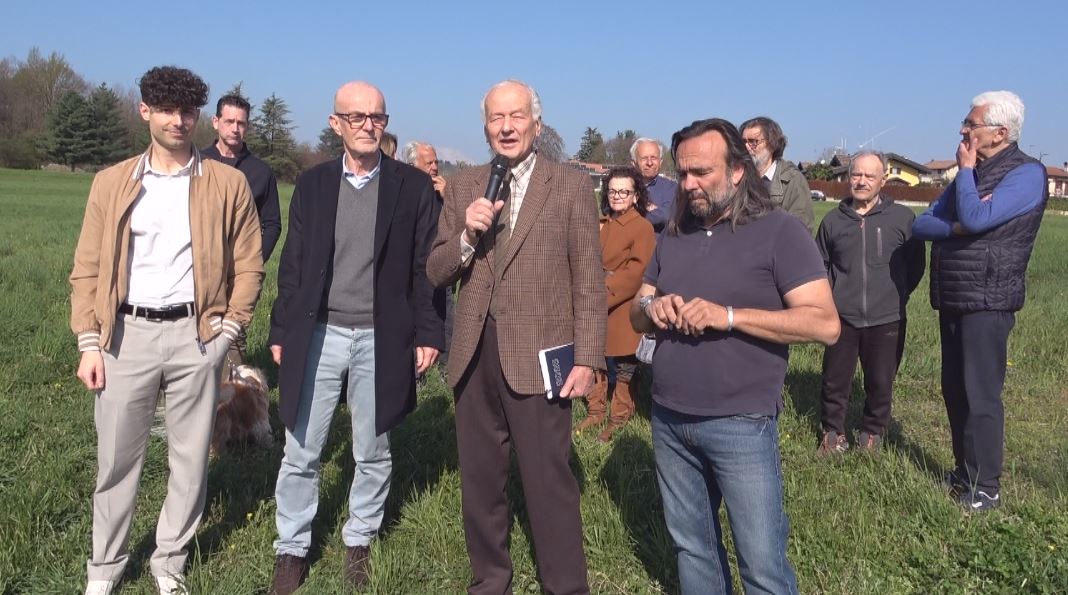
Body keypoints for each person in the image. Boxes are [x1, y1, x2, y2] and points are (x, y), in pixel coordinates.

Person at [71, 65, 264, 595]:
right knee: (116, 460)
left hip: (195, 337)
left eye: (187, 111)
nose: (178, 120)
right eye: (166, 109)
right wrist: (90, 342)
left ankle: (169, 563)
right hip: (123, 337)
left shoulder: (228, 183)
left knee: (190, 460)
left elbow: (249, 263)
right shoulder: (111, 183)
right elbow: (87, 267)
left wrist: (226, 336)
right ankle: (104, 569)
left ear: (197, 115)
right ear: (145, 111)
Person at [631, 118, 839, 594]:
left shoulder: (779, 232)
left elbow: (825, 323)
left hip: (741, 422)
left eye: (702, 173)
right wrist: (652, 305)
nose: (689, 185)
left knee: (761, 562)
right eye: (682, 174)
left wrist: (729, 316)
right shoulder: (673, 233)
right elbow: (635, 316)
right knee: (692, 549)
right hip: (668, 418)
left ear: (738, 171)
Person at [426, 79, 605, 595]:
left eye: (516, 116)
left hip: (543, 353)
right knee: (481, 485)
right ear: (485, 127)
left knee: (549, 484)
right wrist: (466, 235)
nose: (506, 127)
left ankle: (565, 586)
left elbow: (589, 279)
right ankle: (490, 581)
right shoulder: (464, 186)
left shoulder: (569, 186)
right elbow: (436, 270)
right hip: (473, 354)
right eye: (495, 119)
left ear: (536, 124)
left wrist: (588, 357)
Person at [266, 81, 443, 593]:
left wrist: (428, 332)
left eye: (378, 117)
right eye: (357, 116)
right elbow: (293, 266)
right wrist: (281, 329)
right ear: (336, 123)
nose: (369, 125)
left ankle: (359, 538)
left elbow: (425, 267)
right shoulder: (313, 184)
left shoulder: (411, 187)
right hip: (319, 331)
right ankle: (292, 547)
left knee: (373, 447)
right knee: (301, 447)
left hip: (382, 336)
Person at [911, 90, 1047, 512]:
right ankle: (963, 472)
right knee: (954, 390)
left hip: (988, 298)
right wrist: (958, 227)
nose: (963, 130)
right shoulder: (969, 177)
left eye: (971, 124)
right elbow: (924, 224)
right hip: (953, 295)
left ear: (1001, 132)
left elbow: (975, 217)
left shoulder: (1027, 174)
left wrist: (966, 177)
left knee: (980, 394)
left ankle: (986, 485)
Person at [815, 151, 925, 454]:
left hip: (887, 317)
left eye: (869, 176)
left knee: (880, 381)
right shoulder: (833, 221)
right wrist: (830, 302)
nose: (861, 181)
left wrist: (896, 295)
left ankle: (873, 432)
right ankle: (833, 433)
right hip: (842, 317)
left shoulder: (903, 218)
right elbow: (821, 266)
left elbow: (915, 266)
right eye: (856, 175)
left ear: (883, 180)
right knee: (835, 381)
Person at [575, 166, 655, 442]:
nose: (617, 196)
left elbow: (637, 271)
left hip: (621, 307)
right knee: (593, 357)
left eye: (624, 191)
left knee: (624, 365)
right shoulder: (601, 223)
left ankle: (619, 416)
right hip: (595, 301)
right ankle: (595, 411)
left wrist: (602, 289)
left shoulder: (642, 227)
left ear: (635, 196)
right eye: (612, 190)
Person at [403, 140, 453, 367]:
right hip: (411, 268)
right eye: (429, 162)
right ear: (413, 166)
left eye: (436, 162)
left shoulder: (443, 192)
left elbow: (458, 225)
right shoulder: (404, 190)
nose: (434, 167)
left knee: (446, 314)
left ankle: (445, 366)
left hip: (440, 265)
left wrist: (447, 198)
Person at [739, 116, 815, 232]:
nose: (746, 147)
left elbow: (801, 231)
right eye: (743, 142)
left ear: (772, 145)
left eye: (753, 142)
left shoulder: (792, 180)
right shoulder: (736, 177)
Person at [630, 137, 678, 231]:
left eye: (654, 158)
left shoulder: (672, 188)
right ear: (634, 163)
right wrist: (649, 208)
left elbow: (665, 217)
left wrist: (632, 211)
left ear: (660, 162)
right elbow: (613, 213)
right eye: (644, 158)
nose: (649, 163)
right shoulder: (624, 186)